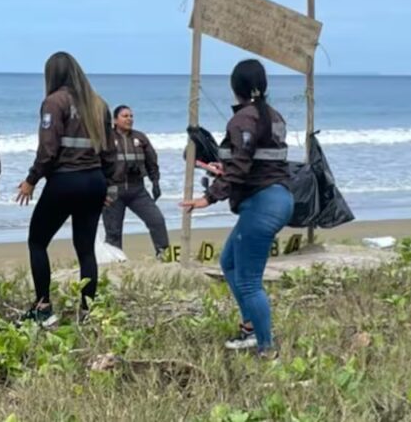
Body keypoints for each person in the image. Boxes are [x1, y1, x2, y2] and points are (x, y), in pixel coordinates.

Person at [180, 59, 293, 355]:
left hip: (263, 203)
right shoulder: (275, 116)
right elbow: (260, 161)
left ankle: (266, 348)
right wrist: (224, 168)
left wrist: (208, 198)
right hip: (278, 197)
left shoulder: (243, 119)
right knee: (229, 262)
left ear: (236, 87)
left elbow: (241, 167)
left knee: (248, 281)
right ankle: (250, 327)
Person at [16, 52, 115, 325]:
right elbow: (110, 152)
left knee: (37, 241)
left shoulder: (54, 101)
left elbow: (48, 150)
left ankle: (43, 307)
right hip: (93, 180)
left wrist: (31, 180)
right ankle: (88, 311)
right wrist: (107, 186)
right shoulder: (99, 104)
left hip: (65, 181)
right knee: (85, 249)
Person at [102, 105, 169, 258]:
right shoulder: (106, 139)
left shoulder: (140, 138)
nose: (129, 119)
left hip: (137, 190)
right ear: (114, 120)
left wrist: (155, 182)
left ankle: (164, 257)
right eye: (125, 116)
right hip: (113, 192)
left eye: (131, 116)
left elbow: (152, 161)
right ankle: (116, 264)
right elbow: (96, 163)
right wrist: (99, 189)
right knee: (113, 233)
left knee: (157, 220)